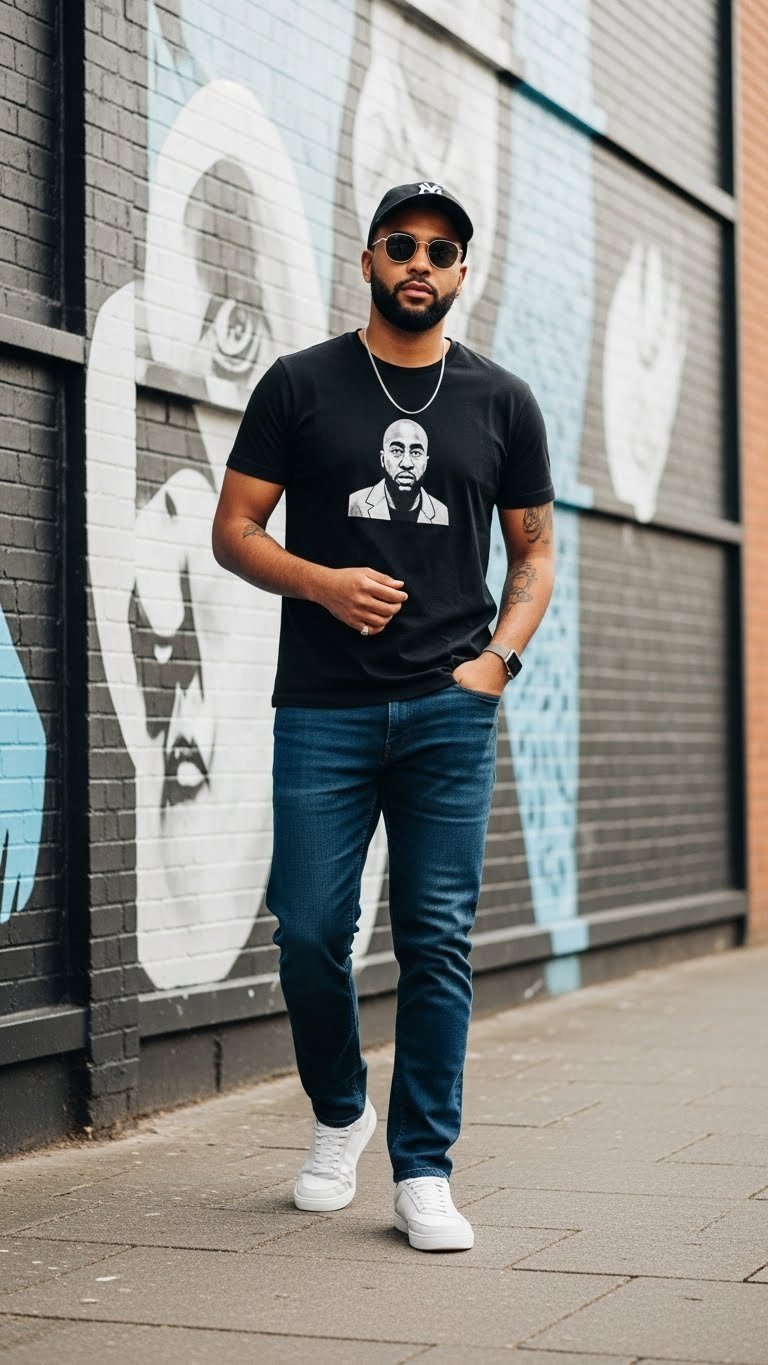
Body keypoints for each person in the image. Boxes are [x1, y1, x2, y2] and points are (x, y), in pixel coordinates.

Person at [212, 181, 556, 1252]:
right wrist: (320, 583)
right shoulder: (300, 385)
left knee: (437, 941)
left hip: (450, 708)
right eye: (401, 244)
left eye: (442, 251)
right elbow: (235, 530)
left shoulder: (501, 402)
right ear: (368, 260)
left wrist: (497, 662)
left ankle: (424, 1170)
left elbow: (535, 550)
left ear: (461, 274)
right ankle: (339, 1113)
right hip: (324, 708)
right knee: (311, 931)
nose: (421, 261)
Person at [348, 417, 449, 523]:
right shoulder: (356, 504)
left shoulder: (441, 512)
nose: (406, 464)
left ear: (426, 462)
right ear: (382, 459)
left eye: (416, 453)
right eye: (396, 451)